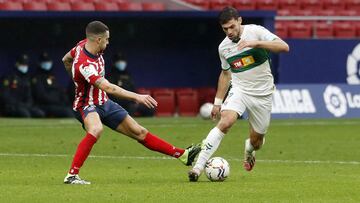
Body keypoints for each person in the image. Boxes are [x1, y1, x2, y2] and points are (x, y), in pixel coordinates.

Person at [62, 21, 201, 184]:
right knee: (96, 128)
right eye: (107, 39)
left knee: (139, 131)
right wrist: (137, 97)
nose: (108, 42)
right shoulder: (85, 65)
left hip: (104, 102)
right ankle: (72, 175)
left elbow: (65, 59)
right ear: (98, 40)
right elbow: (109, 88)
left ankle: (183, 155)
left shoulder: (83, 45)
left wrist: (74, 78)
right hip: (86, 105)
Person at [188, 6, 289, 181]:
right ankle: (197, 167)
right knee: (226, 122)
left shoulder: (256, 31)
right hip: (240, 89)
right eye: (225, 29)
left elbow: (284, 47)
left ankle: (249, 148)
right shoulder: (224, 48)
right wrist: (218, 102)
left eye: (232, 27)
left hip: (263, 94)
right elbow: (226, 74)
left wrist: (256, 43)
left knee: (257, 142)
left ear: (240, 21)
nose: (229, 32)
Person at [108, 52, 154, 117]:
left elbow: (133, 89)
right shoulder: (110, 76)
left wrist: (136, 100)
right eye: (119, 61)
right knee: (131, 108)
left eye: (122, 61)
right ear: (114, 63)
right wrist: (129, 101)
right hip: (120, 103)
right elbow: (111, 94)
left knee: (149, 107)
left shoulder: (128, 75)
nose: (121, 63)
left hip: (132, 100)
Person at [31, 52, 73, 117]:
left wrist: (64, 101)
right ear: (39, 63)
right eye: (44, 62)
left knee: (73, 110)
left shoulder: (52, 76)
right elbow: (41, 95)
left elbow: (60, 91)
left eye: (48, 61)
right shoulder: (37, 78)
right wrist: (57, 101)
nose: (47, 64)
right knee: (67, 112)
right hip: (44, 105)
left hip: (57, 104)